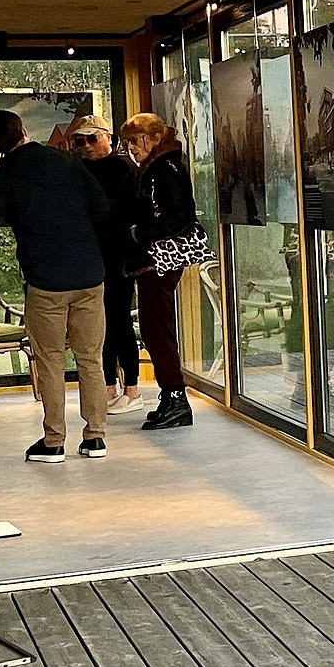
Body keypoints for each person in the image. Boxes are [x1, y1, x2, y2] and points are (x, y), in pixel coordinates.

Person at [0, 109, 112, 463]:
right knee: (90, 358)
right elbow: (101, 208)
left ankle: (54, 441)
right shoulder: (68, 162)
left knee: (50, 361)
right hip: (88, 274)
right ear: (23, 130)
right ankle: (95, 437)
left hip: (45, 280)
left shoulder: (3, 176)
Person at [120, 113, 198, 430]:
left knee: (156, 329)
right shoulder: (161, 165)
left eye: (134, 140)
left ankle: (176, 398)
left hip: (160, 258)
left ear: (154, 138)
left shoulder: (165, 168)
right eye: (127, 141)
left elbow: (181, 214)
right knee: (155, 327)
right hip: (155, 258)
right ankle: (170, 396)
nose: (130, 147)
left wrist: (141, 232)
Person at [68, 115, 144, 415]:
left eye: (92, 138)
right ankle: (109, 384)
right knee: (99, 323)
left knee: (119, 319)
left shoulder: (122, 167)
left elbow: (127, 211)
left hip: (118, 256)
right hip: (93, 256)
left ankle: (132, 387)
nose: (86, 146)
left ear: (107, 138)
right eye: (80, 141)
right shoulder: (80, 169)